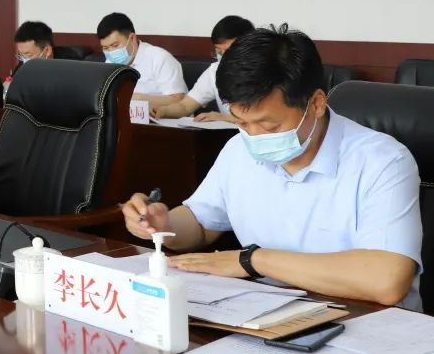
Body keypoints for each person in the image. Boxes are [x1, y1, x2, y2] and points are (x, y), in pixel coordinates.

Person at [122, 26, 421, 309]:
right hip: (267, 312)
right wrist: (163, 225)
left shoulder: (382, 161)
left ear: (316, 103)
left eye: (270, 125)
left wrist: (253, 261)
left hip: (365, 320)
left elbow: (386, 280)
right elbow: (201, 225)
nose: (254, 136)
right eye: (242, 123)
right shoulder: (238, 150)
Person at [152, 15, 254, 123]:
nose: (224, 58)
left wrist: (226, 118)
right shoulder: (214, 71)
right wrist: (163, 111)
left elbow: (264, 119)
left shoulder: (262, 71)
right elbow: (185, 106)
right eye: (219, 52)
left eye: (229, 51)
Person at [97, 12, 186, 108]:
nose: (111, 52)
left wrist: (137, 99)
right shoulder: (109, 63)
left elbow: (178, 100)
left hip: (163, 116)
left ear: (132, 38)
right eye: (105, 48)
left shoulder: (159, 58)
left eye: (115, 45)